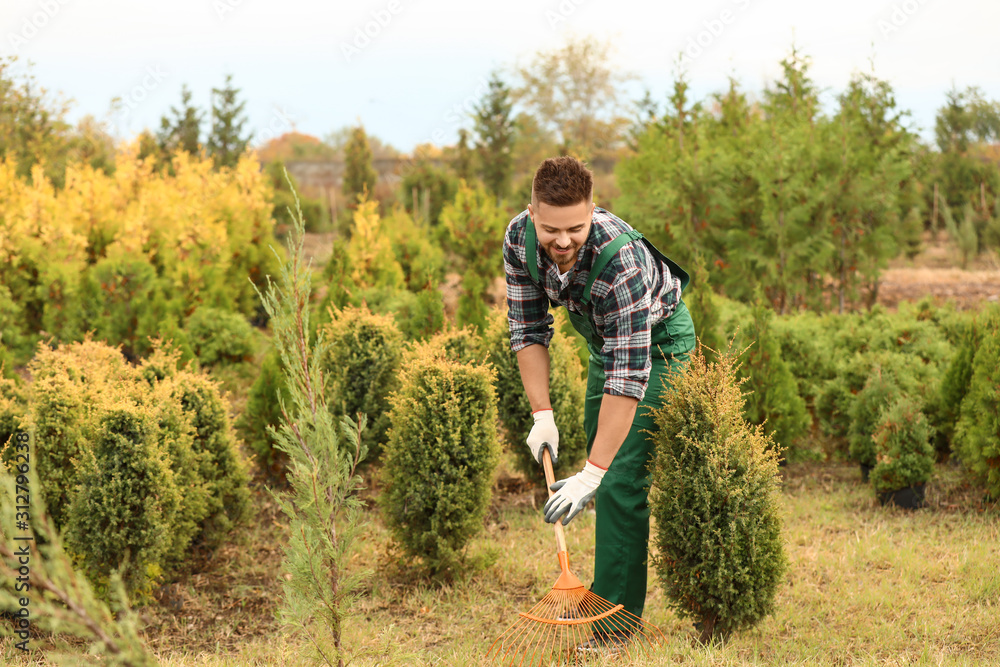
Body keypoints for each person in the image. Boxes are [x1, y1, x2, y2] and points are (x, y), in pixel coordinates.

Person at [502, 156, 696, 653]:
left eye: (576, 228)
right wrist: (541, 413)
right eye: (551, 229)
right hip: (603, 343)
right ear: (532, 213)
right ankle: (611, 589)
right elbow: (527, 329)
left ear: (593, 211)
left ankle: (614, 629)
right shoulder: (520, 240)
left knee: (618, 481)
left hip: (657, 346)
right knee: (604, 473)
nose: (562, 241)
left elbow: (629, 378)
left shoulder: (621, 263)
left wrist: (593, 473)